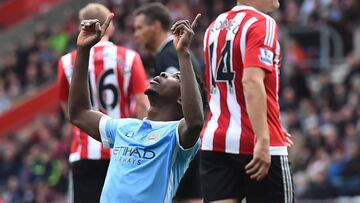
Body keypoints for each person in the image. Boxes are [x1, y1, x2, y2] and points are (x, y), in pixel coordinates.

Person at [68, 12, 208, 203]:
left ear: (182, 100)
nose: (164, 74)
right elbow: (79, 114)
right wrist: (83, 50)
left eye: (175, 77)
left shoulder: (176, 137)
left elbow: (195, 121)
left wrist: (183, 54)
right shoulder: (123, 128)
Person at [201, 0, 294, 203]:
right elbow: (250, 82)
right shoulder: (262, 23)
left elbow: (225, 89)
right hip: (255, 142)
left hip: (216, 140)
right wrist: (263, 137)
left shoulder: (214, 26)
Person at [57, 3, 149, 203]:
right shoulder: (130, 57)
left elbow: (68, 111)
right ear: (111, 25)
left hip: (85, 151)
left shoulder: (66, 62)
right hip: (123, 150)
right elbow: (142, 104)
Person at [133, 3, 203, 202]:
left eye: (139, 28)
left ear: (155, 26)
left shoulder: (170, 55)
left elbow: (178, 99)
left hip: (180, 141)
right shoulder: (169, 54)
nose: (136, 34)